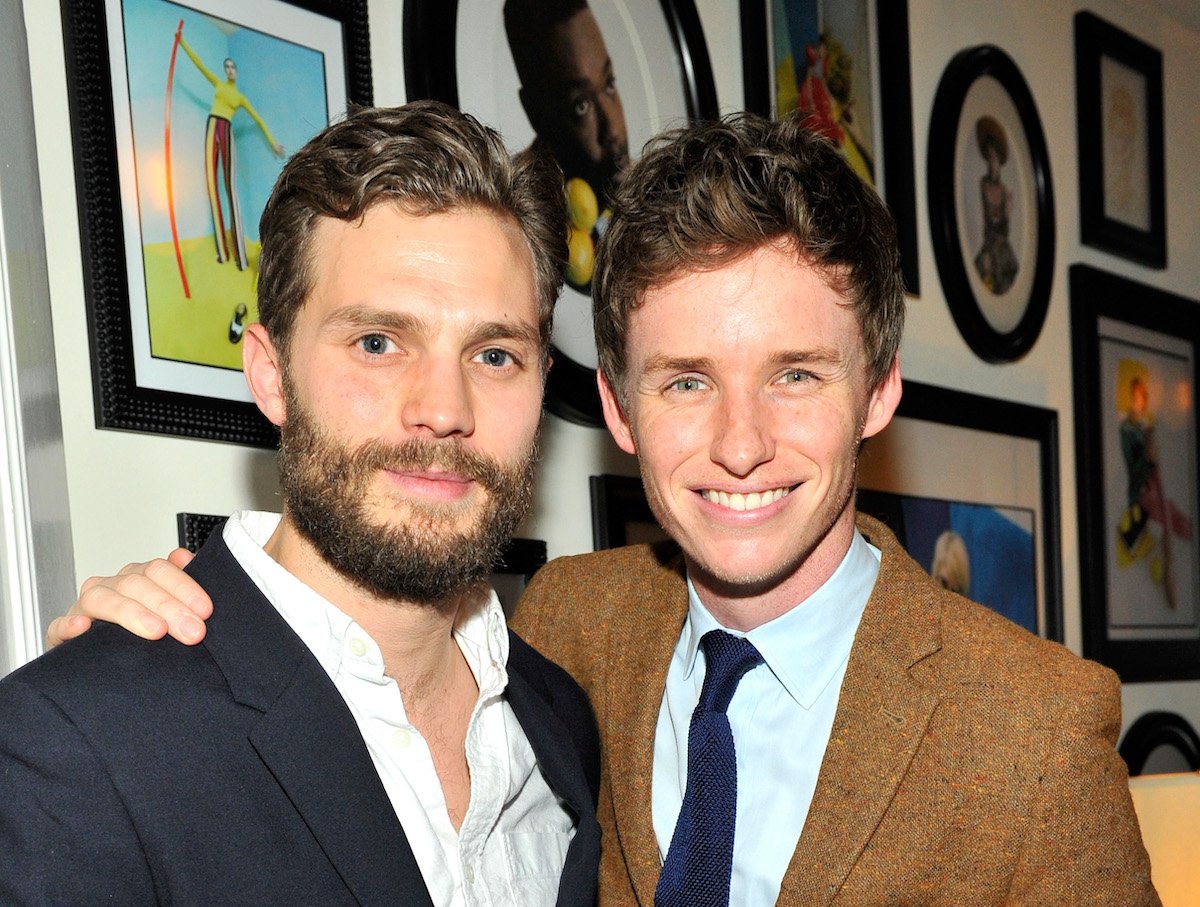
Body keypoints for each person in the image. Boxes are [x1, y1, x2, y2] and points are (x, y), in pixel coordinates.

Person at [50, 112, 1157, 906]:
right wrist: (155, 643)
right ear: (619, 409)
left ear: (878, 393)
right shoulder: (568, 628)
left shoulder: (1037, 732)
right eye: (686, 381)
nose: (739, 443)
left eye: (796, 375)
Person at [1, 102, 600, 905]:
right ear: (271, 375)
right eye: (378, 343)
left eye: (494, 354)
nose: (444, 408)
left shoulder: (560, 717)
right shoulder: (78, 744)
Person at [504, 0, 630, 289]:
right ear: (536, 114)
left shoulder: (649, 192)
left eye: (609, 84)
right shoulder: (518, 222)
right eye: (581, 105)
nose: (612, 129)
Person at [176, 20, 286, 270]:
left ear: (236, 71)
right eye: (226, 67)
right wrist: (182, 42)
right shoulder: (218, 84)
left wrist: (272, 142)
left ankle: (240, 257)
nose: (229, 70)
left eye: (232, 67)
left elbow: (258, 119)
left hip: (226, 130)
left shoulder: (239, 97)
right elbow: (199, 65)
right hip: (212, 126)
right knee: (211, 186)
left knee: (230, 188)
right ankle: (222, 252)